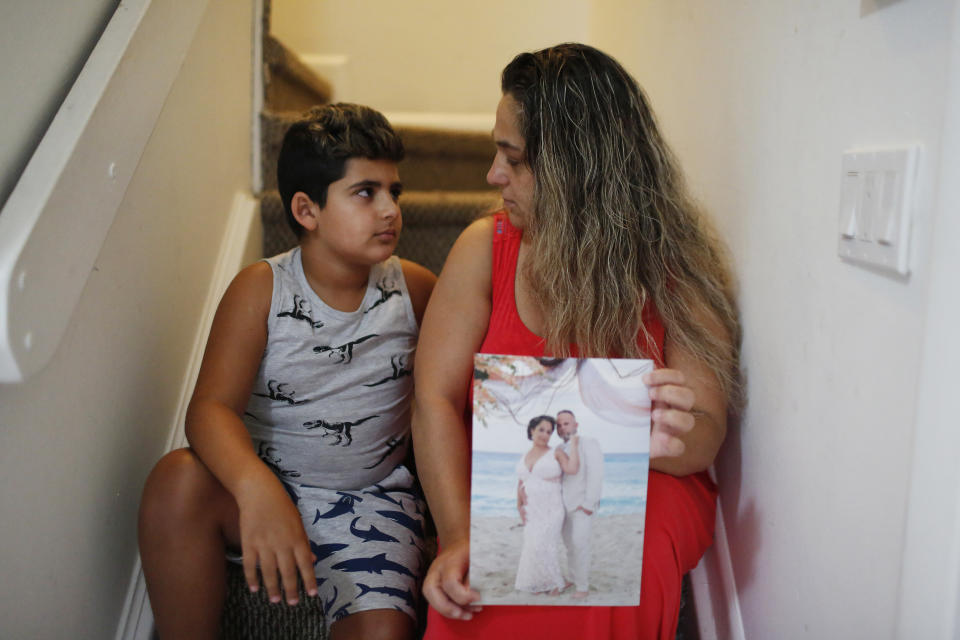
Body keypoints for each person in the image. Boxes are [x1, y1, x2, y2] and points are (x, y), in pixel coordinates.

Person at [412, 43, 740, 640]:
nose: (492, 175)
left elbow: (705, 434)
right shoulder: (484, 250)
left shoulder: (679, 269)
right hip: (511, 481)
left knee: (622, 553)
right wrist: (457, 534)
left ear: (574, 170)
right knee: (480, 579)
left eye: (512, 158)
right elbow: (432, 399)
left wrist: (661, 432)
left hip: (647, 480)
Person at [137, 103, 437, 640]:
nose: (390, 208)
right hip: (267, 490)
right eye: (366, 192)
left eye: (396, 191)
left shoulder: (415, 291)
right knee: (175, 480)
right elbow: (209, 410)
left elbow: (453, 393)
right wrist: (256, 488)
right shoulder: (261, 290)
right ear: (307, 209)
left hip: (372, 503)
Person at [513, 415, 577, 594]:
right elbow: (521, 482)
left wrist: (575, 446)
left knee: (545, 543)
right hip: (532, 509)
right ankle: (546, 581)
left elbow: (572, 469)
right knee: (532, 544)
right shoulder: (524, 455)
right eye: (541, 430)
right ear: (532, 430)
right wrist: (519, 505)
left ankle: (557, 583)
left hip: (552, 508)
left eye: (549, 432)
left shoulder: (555, 452)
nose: (545, 435)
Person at [555, 410, 603, 599]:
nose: (562, 427)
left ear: (576, 425)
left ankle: (582, 587)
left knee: (579, 544)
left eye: (566, 423)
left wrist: (589, 503)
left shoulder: (588, 443)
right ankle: (574, 579)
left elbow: (596, 473)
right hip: (563, 505)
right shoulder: (559, 447)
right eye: (559, 425)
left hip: (582, 505)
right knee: (569, 545)